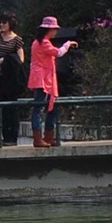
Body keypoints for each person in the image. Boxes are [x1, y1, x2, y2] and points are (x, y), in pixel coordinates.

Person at [26, 17, 77, 149]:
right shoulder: (43, 43)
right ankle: (39, 139)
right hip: (42, 79)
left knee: (51, 107)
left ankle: (48, 136)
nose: (55, 32)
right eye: (54, 29)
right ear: (48, 30)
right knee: (39, 108)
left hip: (46, 77)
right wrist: (67, 44)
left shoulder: (39, 42)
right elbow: (58, 53)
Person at [0, 16, 26, 147]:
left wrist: (4, 60)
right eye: (0, 23)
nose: (2, 25)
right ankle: (4, 137)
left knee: (12, 108)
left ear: (10, 24)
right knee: (2, 108)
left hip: (11, 78)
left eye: (4, 22)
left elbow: (21, 59)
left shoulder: (17, 40)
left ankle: (12, 137)